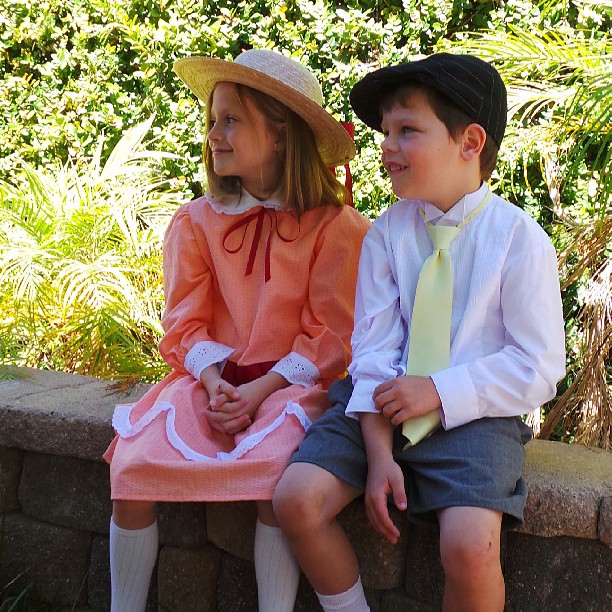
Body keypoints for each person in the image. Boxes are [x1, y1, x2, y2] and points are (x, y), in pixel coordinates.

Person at [273, 53, 566, 612]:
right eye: (386, 131)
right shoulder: (388, 235)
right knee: (297, 499)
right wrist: (378, 453)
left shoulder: (518, 240)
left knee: (470, 547)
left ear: (470, 142)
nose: (387, 145)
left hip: (476, 417)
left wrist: (438, 391)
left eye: (407, 130)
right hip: (380, 404)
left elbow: (538, 364)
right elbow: (374, 350)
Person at [103, 48, 370, 612]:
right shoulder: (196, 221)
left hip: (288, 386)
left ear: (279, 134)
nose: (213, 134)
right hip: (211, 381)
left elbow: (330, 334)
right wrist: (212, 378)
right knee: (130, 467)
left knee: (276, 474)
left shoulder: (337, 227)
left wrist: (260, 389)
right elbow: (184, 319)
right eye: (211, 120)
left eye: (230, 120)